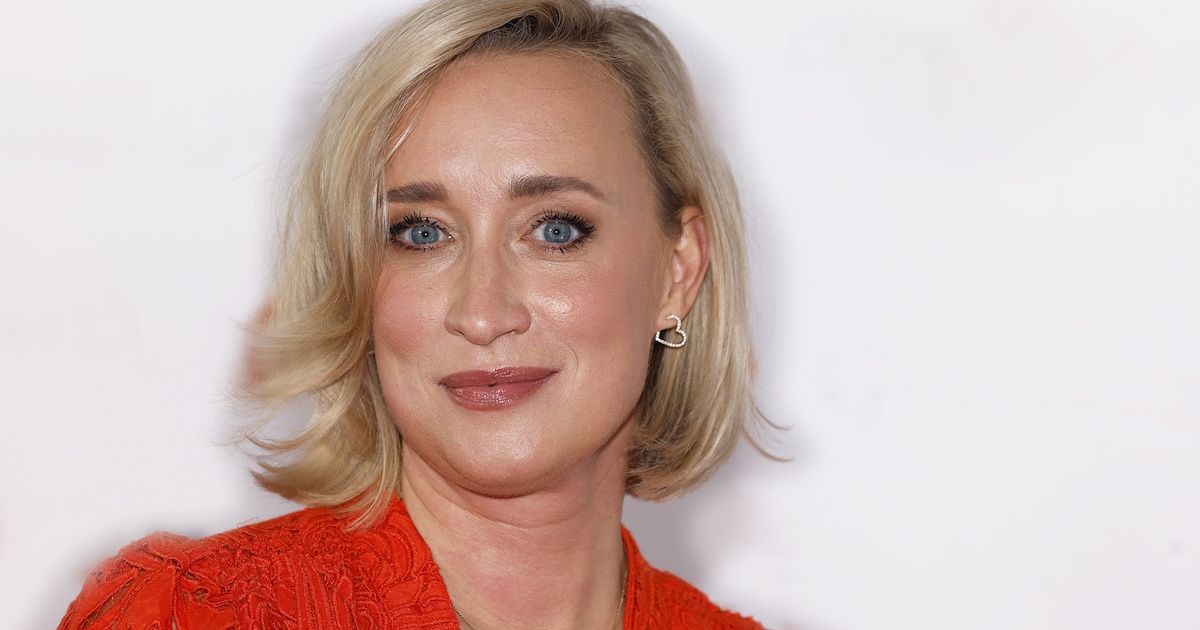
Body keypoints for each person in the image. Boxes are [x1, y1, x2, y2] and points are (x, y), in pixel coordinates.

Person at [58, 0, 771, 627]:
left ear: (678, 271)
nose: (482, 314)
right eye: (422, 233)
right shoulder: (193, 614)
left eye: (555, 230)